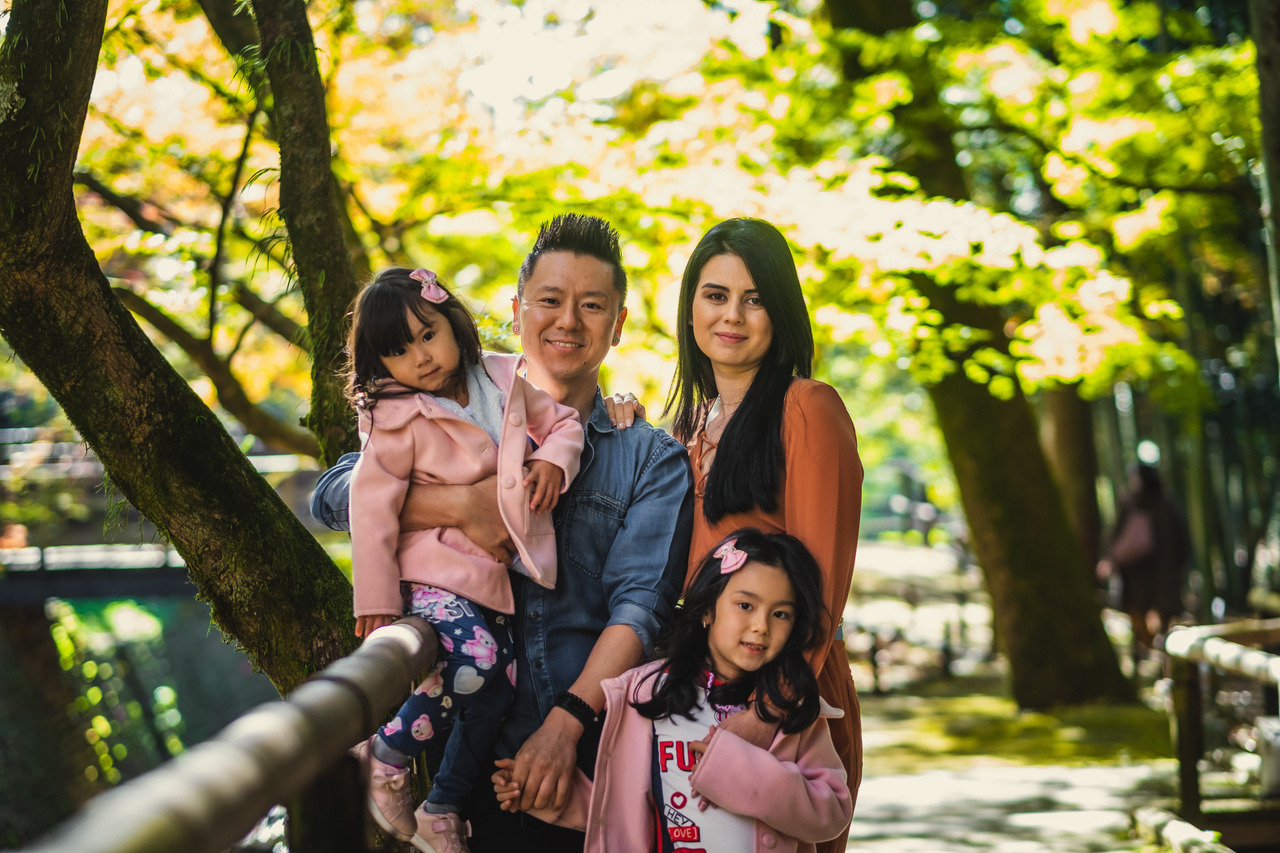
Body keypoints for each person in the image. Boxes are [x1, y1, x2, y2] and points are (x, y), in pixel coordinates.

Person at [310, 214, 694, 853]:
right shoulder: (432, 412)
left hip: (596, 764)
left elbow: (641, 607)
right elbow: (333, 496)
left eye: (592, 305)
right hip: (479, 765)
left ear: (618, 323)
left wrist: (564, 727)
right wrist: (457, 504)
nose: (567, 320)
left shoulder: (648, 456)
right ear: (517, 312)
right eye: (549, 301)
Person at [343, 266, 585, 851]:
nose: (421, 358)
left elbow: (566, 422)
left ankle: (443, 803)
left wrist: (553, 459)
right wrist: (376, 602)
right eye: (399, 351)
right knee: (478, 662)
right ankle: (386, 752)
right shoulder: (392, 417)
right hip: (430, 574)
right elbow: (369, 508)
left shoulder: (502, 377)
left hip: (487, 578)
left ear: (453, 323)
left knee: (496, 684)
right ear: (381, 365)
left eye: (428, 334)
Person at [663, 216, 864, 852]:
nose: (733, 316)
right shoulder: (686, 430)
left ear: (781, 313)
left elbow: (817, 585)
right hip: (695, 697)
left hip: (786, 703)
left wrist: (762, 720)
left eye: (755, 299)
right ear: (690, 306)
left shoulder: (807, 408)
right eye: (715, 295)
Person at [491, 529, 853, 853]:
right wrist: (552, 796)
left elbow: (832, 812)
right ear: (708, 610)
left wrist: (738, 769)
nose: (760, 626)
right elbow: (626, 809)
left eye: (781, 614)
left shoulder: (790, 707)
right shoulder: (646, 693)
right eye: (745, 606)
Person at [1097, 463, 1191, 651]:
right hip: (1145, 573)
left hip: (1153, 571)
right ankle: (1152, 649)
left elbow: (1115, 535)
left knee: (1157, 613)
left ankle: (1158, 650)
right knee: (1145, 613)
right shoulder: (1156, 502)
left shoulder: (1141, 502)